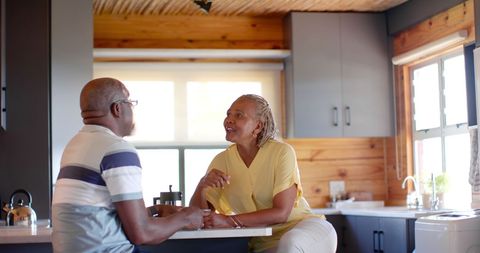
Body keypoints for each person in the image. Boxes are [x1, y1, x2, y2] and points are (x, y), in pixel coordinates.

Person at [52, 77, 204, 253]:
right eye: (129, 102)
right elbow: (142, 234)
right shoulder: (116, 149)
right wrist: (186, 217)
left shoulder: (76, 145)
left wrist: (155, 210)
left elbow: (96, 217)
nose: (131, 108)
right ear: (117, 108)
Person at [190, 94, 337, 253]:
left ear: (258, 126)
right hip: (263, 242)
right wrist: (202, 185)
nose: (229, 120)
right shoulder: (221, 161)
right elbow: (197, 218)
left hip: (306, 230)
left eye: (239, 115)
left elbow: (281, 213)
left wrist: (229, 220)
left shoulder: (282, 152)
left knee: (290, 244)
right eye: (228, 114)